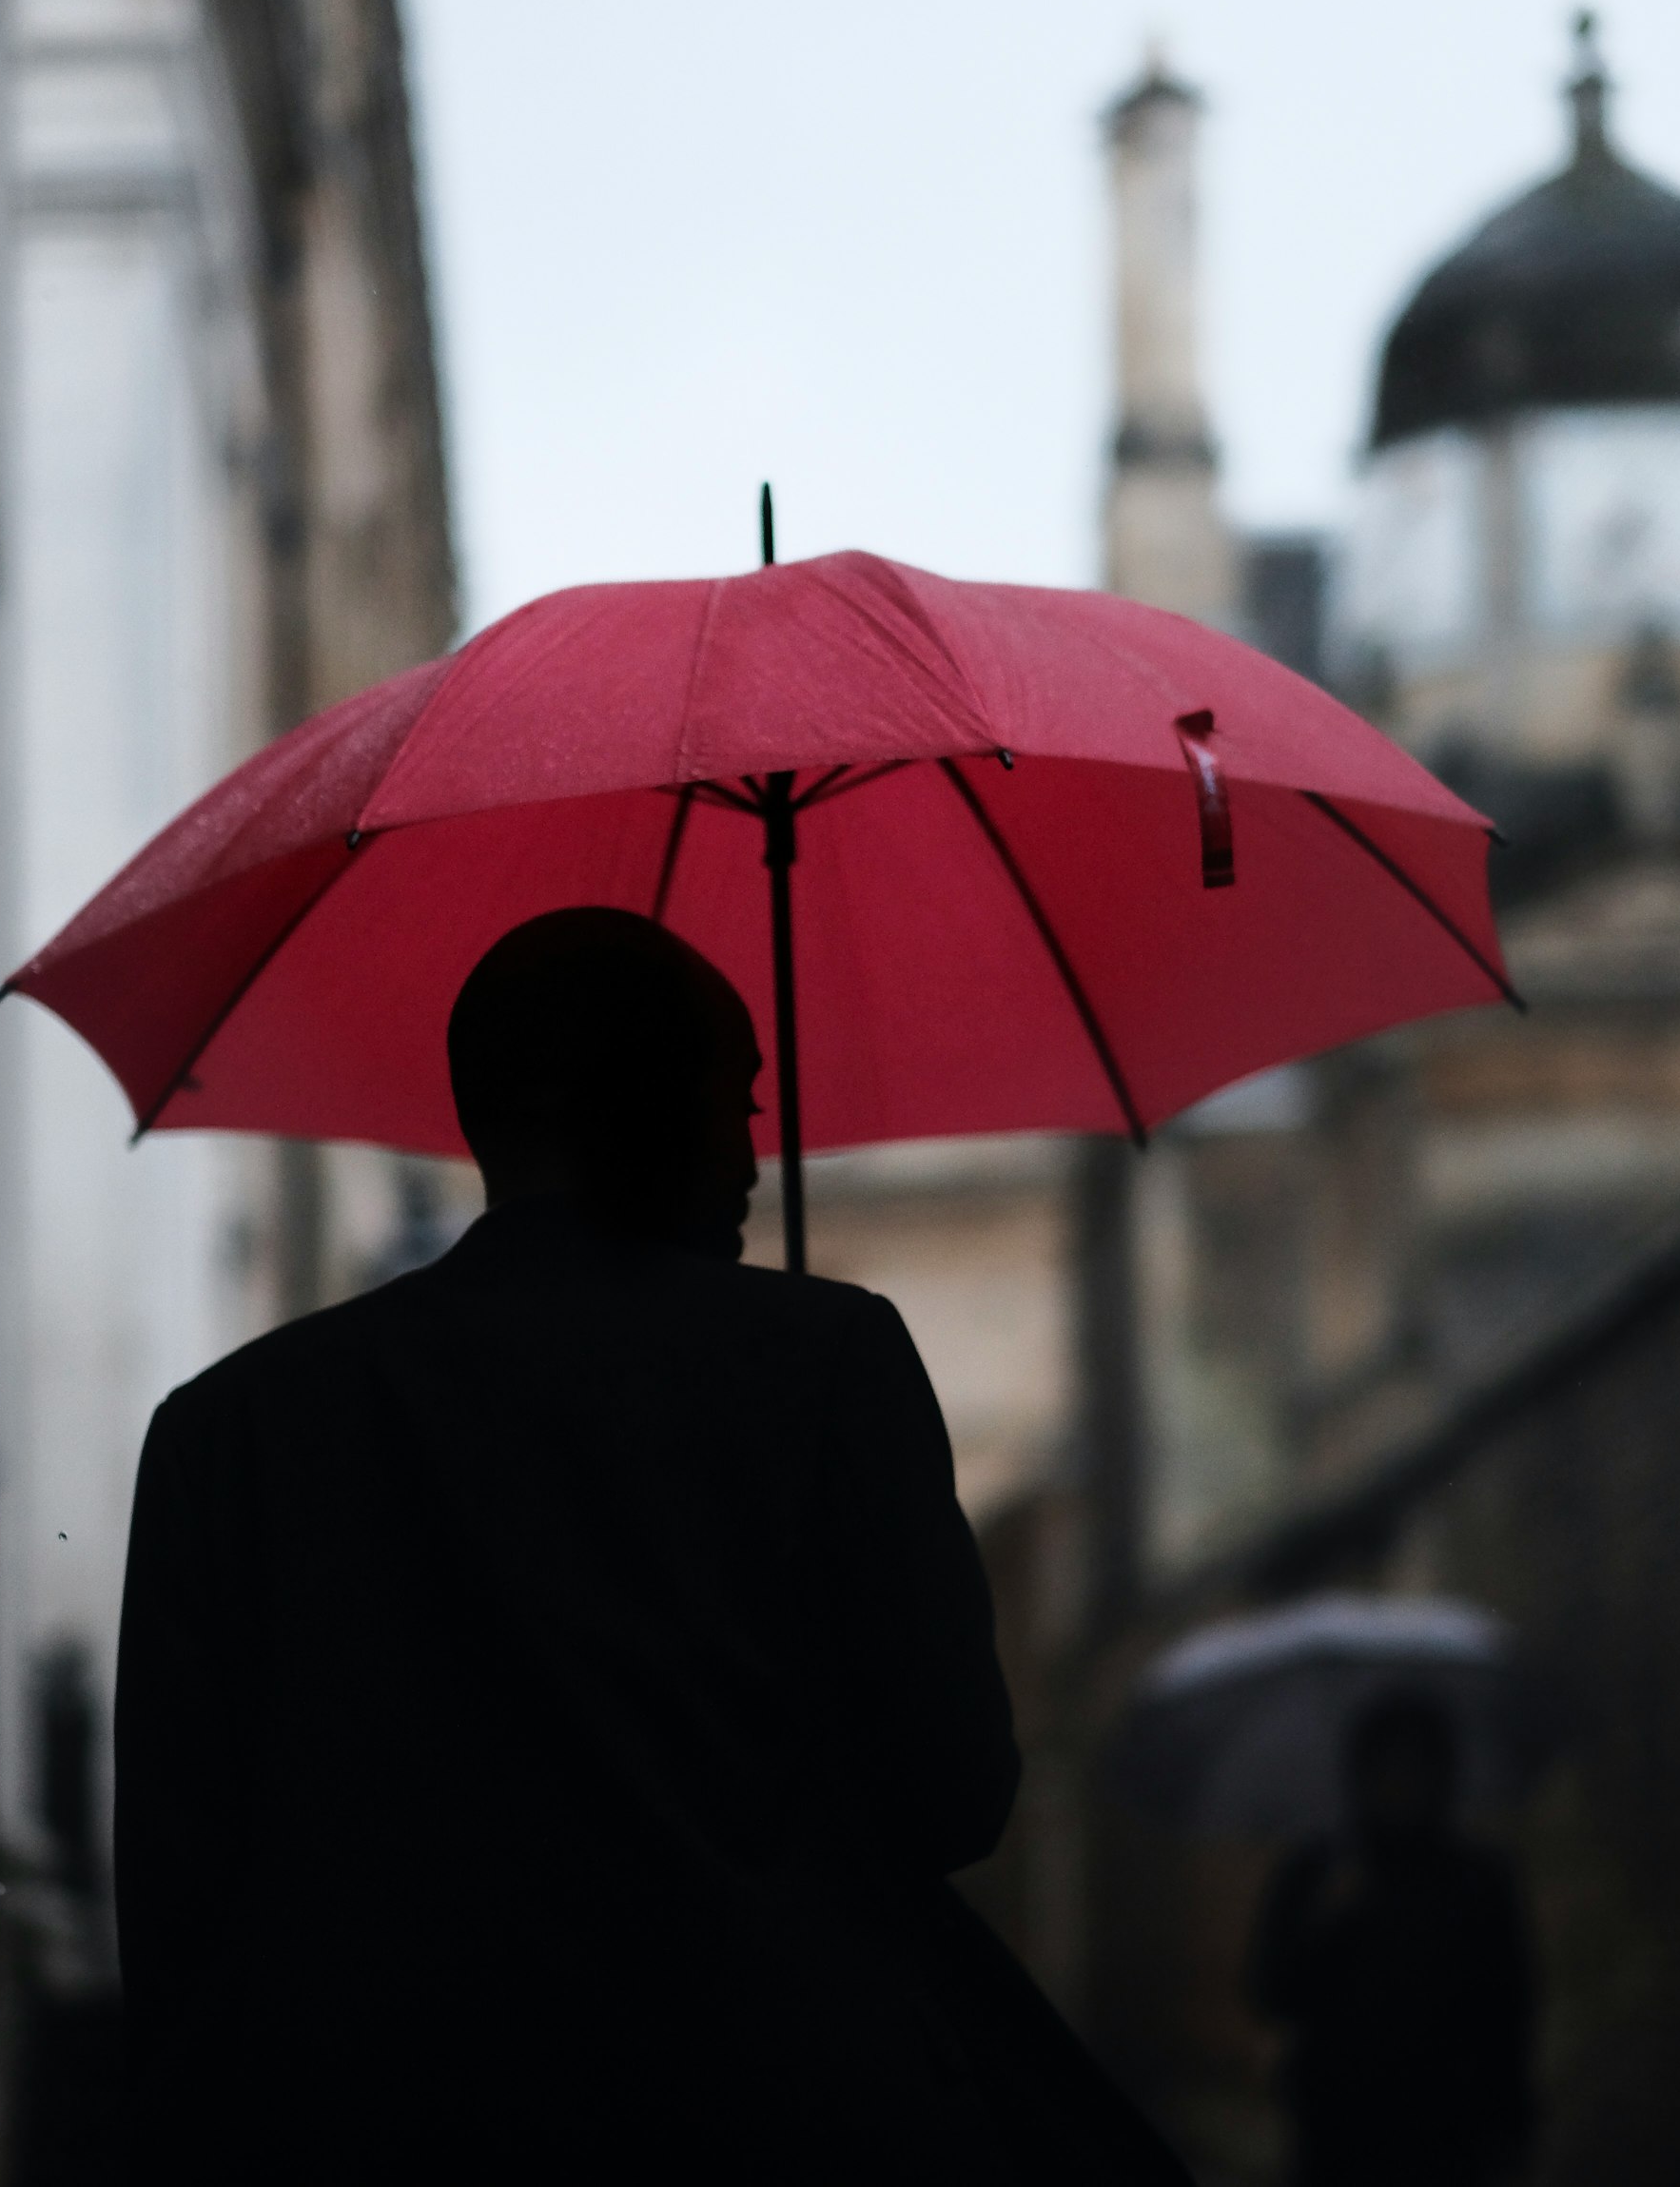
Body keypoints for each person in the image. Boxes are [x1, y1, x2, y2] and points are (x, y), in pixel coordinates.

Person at [116, 907, 1188, 2182]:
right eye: (729, 1101)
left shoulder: (228, 1435)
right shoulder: (828, 1366)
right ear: (626, 1104)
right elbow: (953, 1791)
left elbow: (179, 1910)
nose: (750, 1154)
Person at [1250, 1689, 1536, 2187]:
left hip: (1451, 2142)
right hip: (1336, 2140)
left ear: (1443, 1773)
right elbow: (1270, 1991)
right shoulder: (1318, 1870)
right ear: (1362, 1772)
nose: (1403, 1783)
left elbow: (1508, 2012)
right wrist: (1326, 1921)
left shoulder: (1478, 1879)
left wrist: (1509, 2133)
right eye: (1389, 1766)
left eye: (1419, 1765)